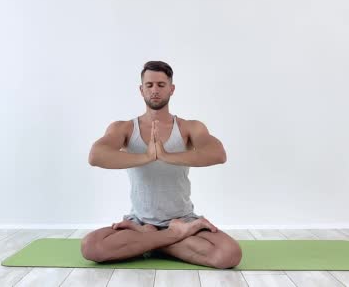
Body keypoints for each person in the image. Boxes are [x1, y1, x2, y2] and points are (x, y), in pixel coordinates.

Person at [81, 61, 242, 269]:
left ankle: (147, 241)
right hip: (139, 221)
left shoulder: (189, 127)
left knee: (229, 254)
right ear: (141, 90)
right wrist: (146, 157)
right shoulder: (124, 128)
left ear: (171, 89)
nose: (154, 90)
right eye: (149, 85)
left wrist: (165, 155)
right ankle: (171, 237)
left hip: (182, 220)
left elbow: (218, 154)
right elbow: (96, 156)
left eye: (161, 85)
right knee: (91, 246)